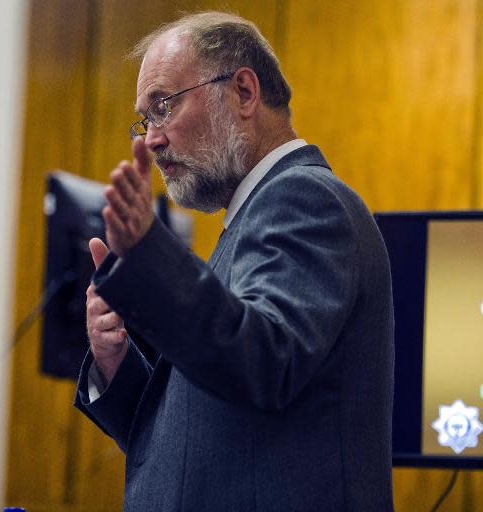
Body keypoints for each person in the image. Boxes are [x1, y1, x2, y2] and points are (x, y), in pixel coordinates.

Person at [73, 11, 395, 511]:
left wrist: (149, 258)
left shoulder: (304, 200)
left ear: (244, 92)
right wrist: (116, 362)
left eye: (164, 106)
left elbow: (263, 364)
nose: (151, 139)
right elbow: (190, 437)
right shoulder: (250, 223)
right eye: (145, 119)